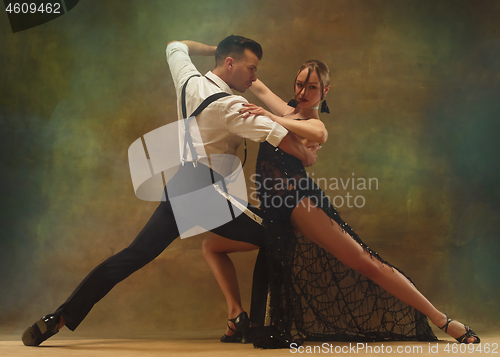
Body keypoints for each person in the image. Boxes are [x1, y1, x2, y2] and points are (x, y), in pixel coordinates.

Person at [21, 35, 317, 347]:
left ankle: (60, 317)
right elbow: (277, 134)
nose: (255, 77)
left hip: (179, 187)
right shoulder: (230, 105)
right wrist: (306, 154)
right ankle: (256, 326)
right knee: (276, 233)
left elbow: (175, 46)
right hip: (206, 191)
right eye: (252, 68)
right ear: (230, 63)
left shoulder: (188, 80)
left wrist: (211, 49)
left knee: (133, 255)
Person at [202, 60, 480, 345]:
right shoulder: (287, 111)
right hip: (274, 208)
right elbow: (255, 83)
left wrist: (267, 116)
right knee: (212, 245)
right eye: (299, 85)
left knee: (365, 262)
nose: (303, 92)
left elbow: (315, 134)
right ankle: (236, 315)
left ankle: (441, 320)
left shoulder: (314, 124)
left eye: (312, 87)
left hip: (298, 202)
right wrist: (220, 56)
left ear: (325, 90)